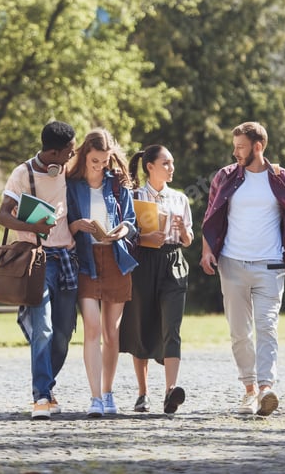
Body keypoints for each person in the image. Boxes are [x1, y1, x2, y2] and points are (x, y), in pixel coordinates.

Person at [200, 121, 285, 417]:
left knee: (267, 326)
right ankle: (249, 390)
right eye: (235, 146)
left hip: (270, 265)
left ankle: (266, 389)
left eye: (240, 147)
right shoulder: (225, 177)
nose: (235, 152)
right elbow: (211, 215)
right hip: (232, 263)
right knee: (240, 332)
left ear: (258, 147)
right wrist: (206, 251)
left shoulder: (281, 178)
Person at [0, 120, 78, 420]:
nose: (72, 156)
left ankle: (47, 384)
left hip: (67, 259)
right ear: (54, 153)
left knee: (62, 335)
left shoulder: (70, 169)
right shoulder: (23, 173)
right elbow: (3, 216)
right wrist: (33, 226)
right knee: (42, 328)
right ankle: (41, 395)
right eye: (68, 152)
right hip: (37, 260)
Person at [66, 128, 137, 418]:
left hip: (116, 258)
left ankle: (108, 393)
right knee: (92, 328)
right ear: (84, 155)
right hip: (85, 261)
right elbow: (61, 224)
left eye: (105, 161)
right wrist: (76, 226)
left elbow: (132, 222)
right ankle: (95, 398)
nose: (100, 166)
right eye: (95, 161)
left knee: (111, 331)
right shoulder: (71, 185)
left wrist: (123, 230)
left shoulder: (117, 184)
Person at [119, 144, 193, 416]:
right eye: (166, 163)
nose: (171, 168)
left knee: (171, 327)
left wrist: (183, 230)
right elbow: (127, 234)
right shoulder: (134, 196)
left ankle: (171, 391)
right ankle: (142, 393)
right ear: (150, 166)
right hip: (143, 263)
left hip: (173, 261)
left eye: (172, 163)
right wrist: (146, 238)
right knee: (141, 323)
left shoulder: (180, 199)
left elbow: (188, 241)